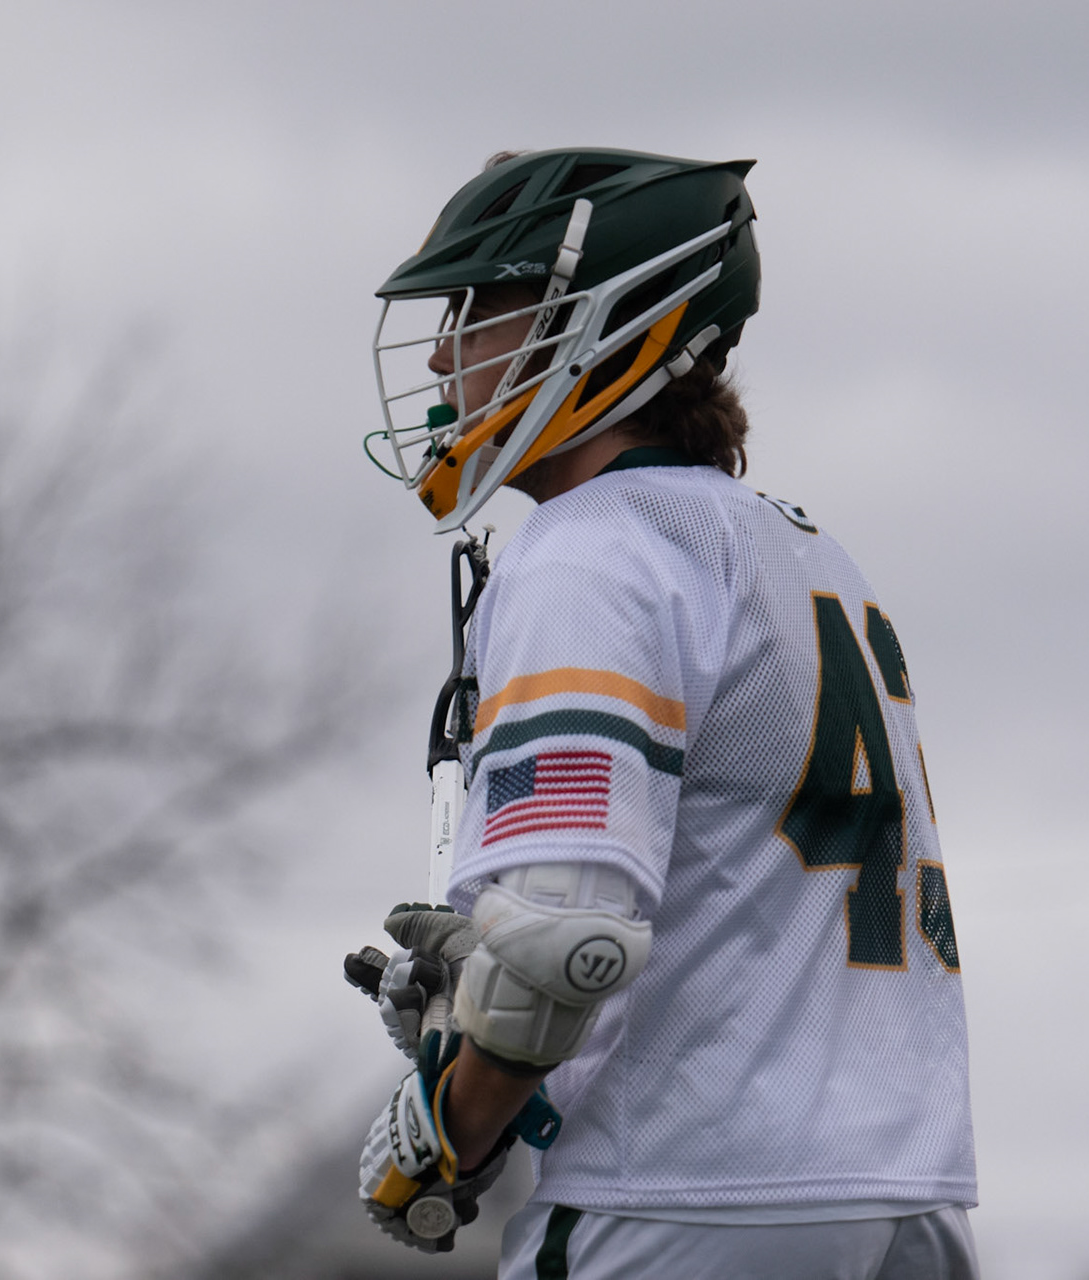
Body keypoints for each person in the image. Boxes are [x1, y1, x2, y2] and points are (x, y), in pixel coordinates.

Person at [356, 148, 979, 1280]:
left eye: (479, 309)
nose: (444, 354)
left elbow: (566, 945)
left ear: (598, 322)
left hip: (688, 1193)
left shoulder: (590, 554)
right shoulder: (806, 552)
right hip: (903, 1197)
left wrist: (451, 1126)